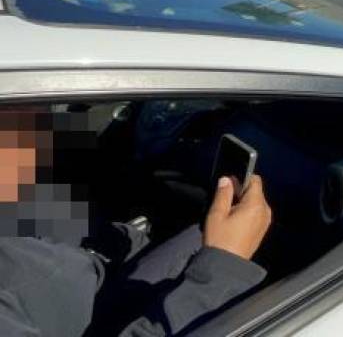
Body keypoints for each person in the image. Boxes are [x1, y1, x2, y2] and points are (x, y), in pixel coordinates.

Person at [0, 109, 273, 337]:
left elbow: (32, 245)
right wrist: (222, 270)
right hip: (104, 320)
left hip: (94, 281)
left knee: (200, 232)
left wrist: (121, 238)